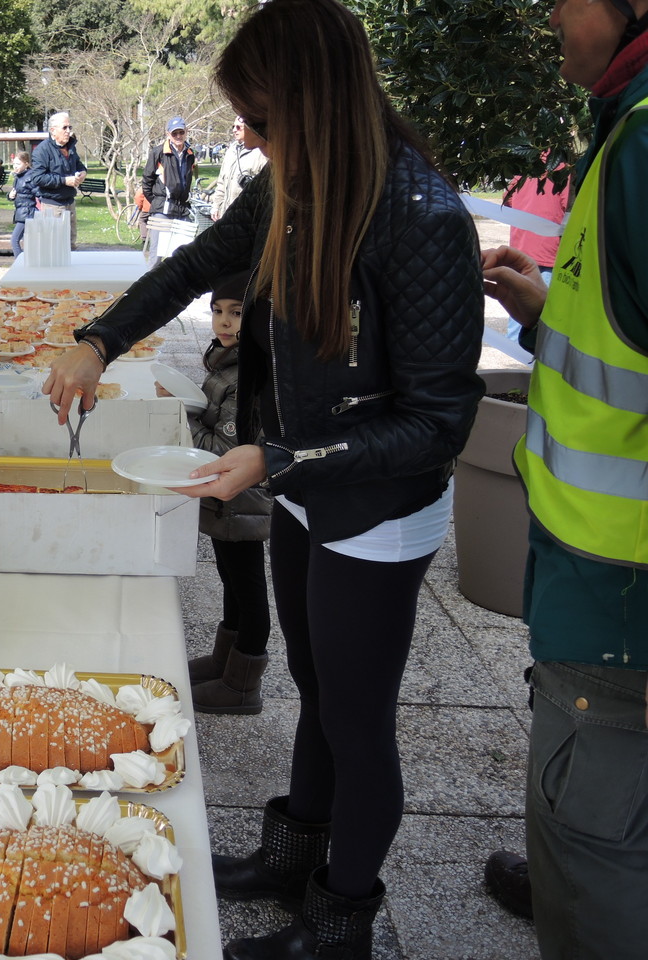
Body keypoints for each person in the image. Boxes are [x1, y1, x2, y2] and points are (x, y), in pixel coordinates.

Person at [44, 2, 483, 956]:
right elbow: (199, 263)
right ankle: (293, 851)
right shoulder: (294, 182)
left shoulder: (422, 217)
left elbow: (440, 422)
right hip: (299, 480)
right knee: (316, 683)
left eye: (258, 117)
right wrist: (97, 341)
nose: (244, 136)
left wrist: (282, 457)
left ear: (313, 107)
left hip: (375, 505)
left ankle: (343, 915)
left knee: (360, 719)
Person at [478, 1, 648, 955]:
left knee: (597, 881)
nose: (549, 13)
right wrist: (550, 311)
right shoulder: (623, 127)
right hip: (592, 588)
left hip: (624, 609)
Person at [170, 274, 272, 714]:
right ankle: (224, 660)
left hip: (242, 500)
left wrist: (181, 416)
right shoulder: (227, 358)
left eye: (236, 312)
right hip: (225, 500)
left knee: (248, 587)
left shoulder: (248, 369)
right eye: (217, 311)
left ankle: (242, 684)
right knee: (231, 578)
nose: (224, 322)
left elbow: (223, 451)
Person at [500, 163, 569, 342]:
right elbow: (569, 208)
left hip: (520, 251)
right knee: (542, 313)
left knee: (518, 313)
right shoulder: (564, 172)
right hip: (548, 253)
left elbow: (507, 200)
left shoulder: (525, 171)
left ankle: (515, 360)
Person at [30, 111, 86, 249]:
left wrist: (83, 172)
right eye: (64, 128)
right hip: (52, 206)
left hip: (70, 203)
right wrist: (64, 181)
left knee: (70, 246)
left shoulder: (70, 147)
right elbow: (37, 178)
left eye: (70, 127)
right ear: (53, 131)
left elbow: (78, 165)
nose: (68, 131)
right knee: (55, 248)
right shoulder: (42, 150)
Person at [210, 117, 267, 220]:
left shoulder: (260, 153)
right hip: (225, 214)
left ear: (249, 128)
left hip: (246, 217)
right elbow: (221, 182)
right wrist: (216, 206)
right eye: (233, 127)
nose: (234, 130)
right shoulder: (230, 151)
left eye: (238, 127)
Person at [141, 116, 196, 221]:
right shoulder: (158, 152)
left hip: (182, 210)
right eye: (174, 133)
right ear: (168, 135)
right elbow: (147, 181)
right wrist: (156, 202)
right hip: (162, 209)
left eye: (181, 132)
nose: (178, 136)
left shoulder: (190, 154)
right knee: (160, 238)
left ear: (186, 132)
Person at [8, 150, 35, 258]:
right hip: (21, 211)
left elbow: (38, 193)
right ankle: (27, 263)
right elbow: (17, 193)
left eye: (18, 164)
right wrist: (10, 196)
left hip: (27, 213)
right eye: (14, 164)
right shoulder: (18, 177)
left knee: (14, 240)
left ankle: (19, 264)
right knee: (26, 240)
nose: (15, 166)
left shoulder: (30, 177)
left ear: (26, 164)